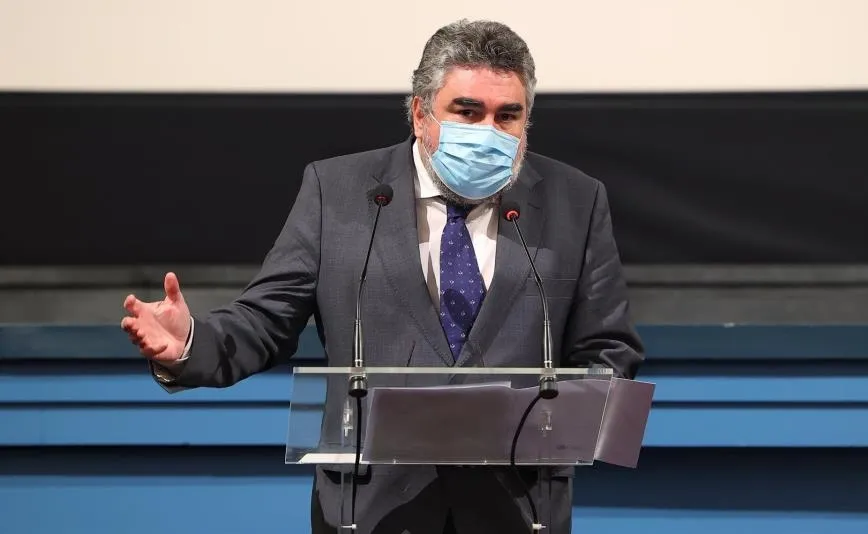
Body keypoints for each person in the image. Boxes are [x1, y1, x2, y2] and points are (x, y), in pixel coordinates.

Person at [121, 19, 644, 534]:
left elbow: (608, 348)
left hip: (517, 508)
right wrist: (190, 343)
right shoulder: (337, 190)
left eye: (508, 116)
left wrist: (564, 420)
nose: (488, 132)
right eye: (467, 112)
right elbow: (266, 320)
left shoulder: (575, 199)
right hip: (370, 510)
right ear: (419, 113)